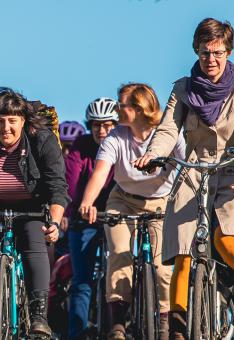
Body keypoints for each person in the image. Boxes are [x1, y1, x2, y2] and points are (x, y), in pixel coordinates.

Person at [132, 18, 234, 339]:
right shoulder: (183, 89)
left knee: (226, 239)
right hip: (195, 168)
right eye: (204, 53)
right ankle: (178, 325)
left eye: (217, 53)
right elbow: (168, 128)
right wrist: (153, 154)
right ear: (196, 52)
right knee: (182, 247)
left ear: (228, 52)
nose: (210, 60)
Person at [0, 87, 68, 339]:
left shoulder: (42, 139)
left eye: (11, 121)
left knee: (33, 247)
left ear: (23, 121)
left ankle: (39, 316)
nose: (5, 127)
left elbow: (57, 187)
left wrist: (54, 220)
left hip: (32, 206)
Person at [79, 84, 185, 340]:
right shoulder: (116, 136)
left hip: (161, 202)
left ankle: (163, 324)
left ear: (138, 109)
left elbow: (187, 167)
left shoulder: (169, 134)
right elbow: (101, 172)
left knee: (162, 266)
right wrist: (88, 202)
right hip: (123, 199)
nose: (117, 109)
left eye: (121, 104)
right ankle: (117, 323)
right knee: (119, 255)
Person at [64, 97, 118, 339]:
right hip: (83, 217)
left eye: (107, 125)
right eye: (96, 125)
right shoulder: (80, 146)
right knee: (82, 281)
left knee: (120, 275)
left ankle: (121, 325)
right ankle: (77, 333)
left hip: (115, 216)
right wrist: (69, 212)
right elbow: (71, 183)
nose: (102, 130)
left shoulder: (122, 144)